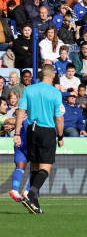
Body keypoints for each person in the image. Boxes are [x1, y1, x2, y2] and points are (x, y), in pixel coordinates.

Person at [14, 64, 64, 214]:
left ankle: (34, 204)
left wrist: (17, 133)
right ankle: (30, 194)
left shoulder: (29, 90)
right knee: (45, 168)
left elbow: (20, 112)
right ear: (52, 75)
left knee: (35, 167)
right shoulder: (55, 93)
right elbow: (59, 118)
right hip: (47, 130)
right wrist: (60, 136)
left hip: (31, 130)